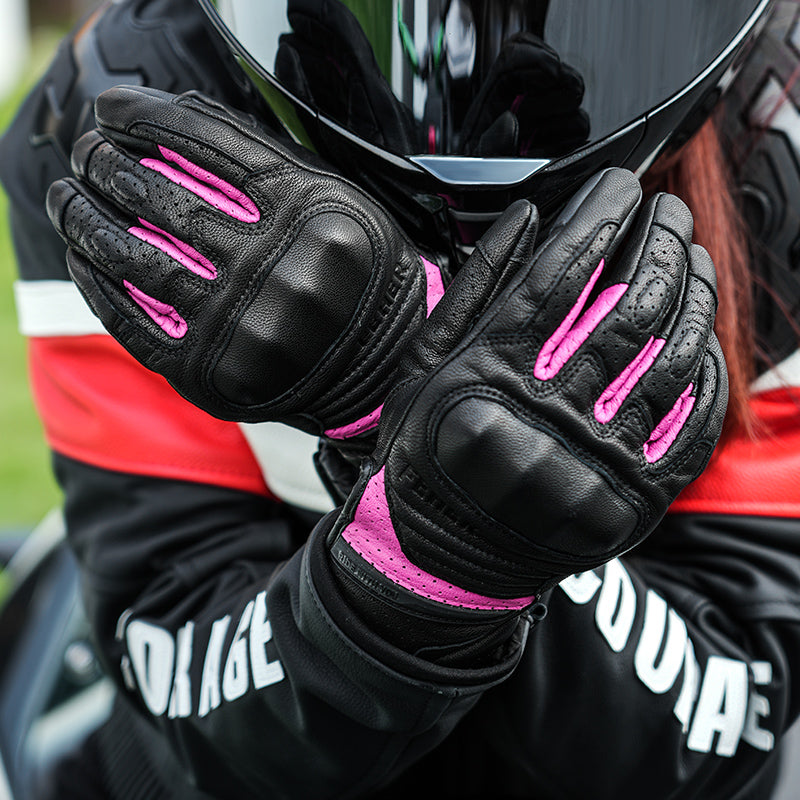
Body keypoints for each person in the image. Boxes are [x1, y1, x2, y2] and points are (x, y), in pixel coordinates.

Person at [2, 1, 800, 798]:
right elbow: (190, 689)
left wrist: (401, 401)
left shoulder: (779, 144)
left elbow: (724, 713)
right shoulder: (140, 104)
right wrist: (451, 485)